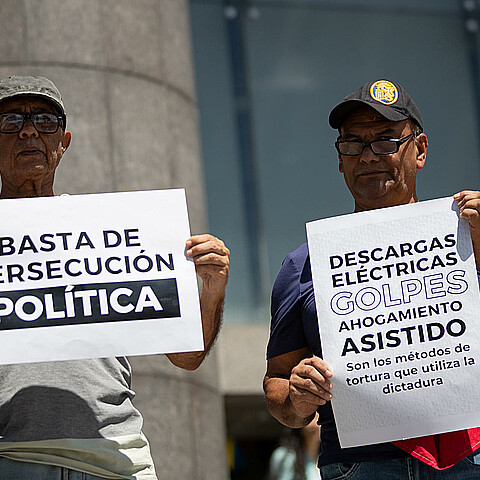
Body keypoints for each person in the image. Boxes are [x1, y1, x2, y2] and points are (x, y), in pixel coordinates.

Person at [0, 75, 230, 479]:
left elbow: (187, 356)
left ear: (63, 142)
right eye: (11, 121)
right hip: (13, 456)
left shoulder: (117, 234)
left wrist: (209, 294)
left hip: (118, 459)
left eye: (46, 120)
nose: (30, 130)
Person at [263, 79, 480, 479]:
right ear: (339, 159)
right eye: (352, 144)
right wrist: (296, 398)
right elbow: (278, 384)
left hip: (470, 454)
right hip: (360, 463)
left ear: (421, 150)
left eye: (385, 141)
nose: (367, 157)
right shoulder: (302, 264)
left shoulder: (472, 235)